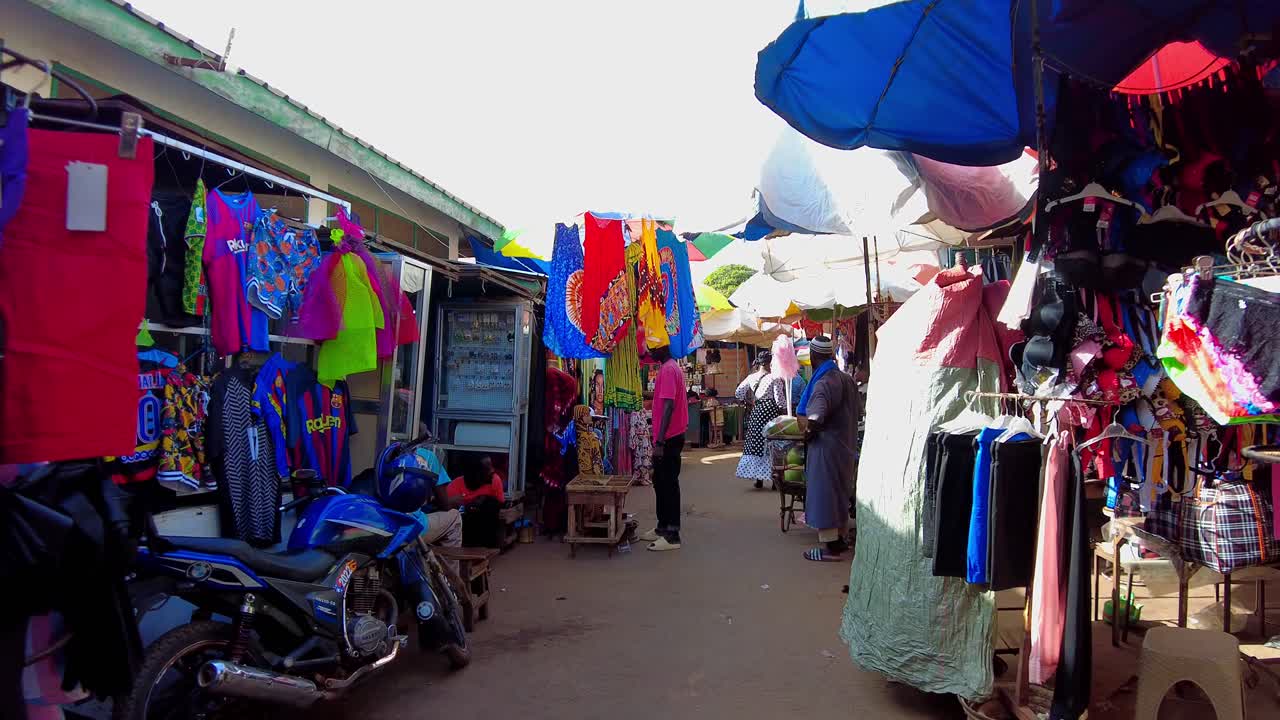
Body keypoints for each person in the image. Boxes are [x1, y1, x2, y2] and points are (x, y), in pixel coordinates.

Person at [798, 336, 859, 562]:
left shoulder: (824, 383)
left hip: (826, 448)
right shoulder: (846, 379)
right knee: (840, 493)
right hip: (845, 445)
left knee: (824, 495)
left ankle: (830, 548)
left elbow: (815, 417)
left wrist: (808, 434)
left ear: (813, 356)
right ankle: (840, 539)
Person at [640, 345, 688, 551]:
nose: (650, 351)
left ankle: (672, 535)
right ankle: (662, 527)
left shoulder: (668, 369)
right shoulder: (668, 367)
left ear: (664, 348)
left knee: (668, 484)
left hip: (669, 438)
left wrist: (659, 441)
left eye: (654, 348)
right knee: (660, 482)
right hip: (668, 436)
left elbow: (668, 406)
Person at [735, 351, 787, 488]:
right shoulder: (775, 378)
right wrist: (786, 412)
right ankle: (774, 479)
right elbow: (779, 401)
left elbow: (738, 393)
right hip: (770, 413)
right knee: (771, 444)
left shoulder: (751, 377)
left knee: (757, 444)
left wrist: (750, 402)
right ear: (770, 363)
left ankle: (759, 479)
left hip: (757, 412)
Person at [448, 455, 506, 548]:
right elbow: (450, 511)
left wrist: (484, 499)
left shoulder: (494, 480)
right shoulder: (454, 486)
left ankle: (487, 547)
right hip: (464, 524)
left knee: (491, 504)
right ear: (474, 472)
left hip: (485, 525)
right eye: (487, 469)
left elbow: (501, 503)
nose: (492, 471)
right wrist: (470, 505)